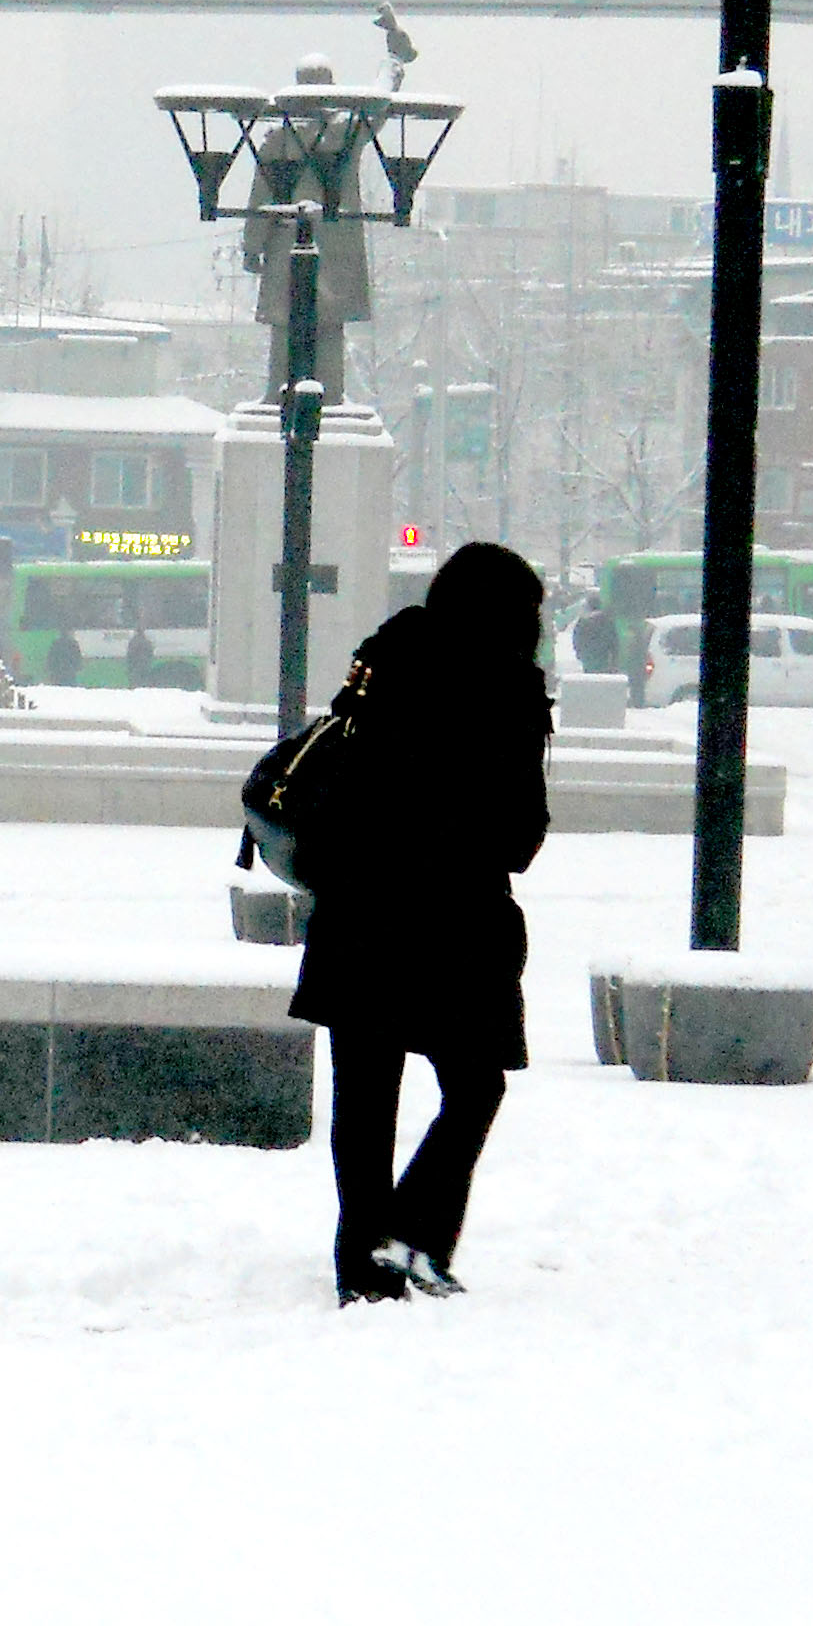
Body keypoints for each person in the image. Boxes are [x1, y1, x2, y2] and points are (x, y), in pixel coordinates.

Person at [286, 538, 552, 1302]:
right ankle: (414, 1236)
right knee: (475, 1089)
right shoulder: (509, 687)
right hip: (455, 925)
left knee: (364, 1102)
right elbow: (519, 836)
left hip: (360, 912)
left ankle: (364, 1263)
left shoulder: (385, 658)